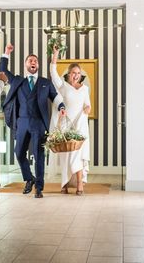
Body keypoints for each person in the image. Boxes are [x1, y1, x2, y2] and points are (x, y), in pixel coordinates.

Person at [0, 43, 65, 198]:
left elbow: (55, 96)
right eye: (30, 60)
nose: (33, 62)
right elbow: (3, 70)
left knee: (38, 155)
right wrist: (6, 53)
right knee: (19, 152)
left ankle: (39, 188)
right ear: (26, 65)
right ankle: (29, 178)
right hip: (21, 122)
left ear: (38, 65)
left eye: (35, 60)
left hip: (38, 123)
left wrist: (61, 105)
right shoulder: (17, 81)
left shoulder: (45, 83)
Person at [50, 47, 91, 195]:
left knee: (78, 154)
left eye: (79, 73)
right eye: (74, 73)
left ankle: (80, 184)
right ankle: (65, 184)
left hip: (80, 124)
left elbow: (88, 105)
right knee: (66, 154)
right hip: (66, 124)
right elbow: (53, 73)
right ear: (69, 73)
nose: (76, 75)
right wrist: (55, 55)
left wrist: (87, 109)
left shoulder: (85, 89)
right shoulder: (63, 86)